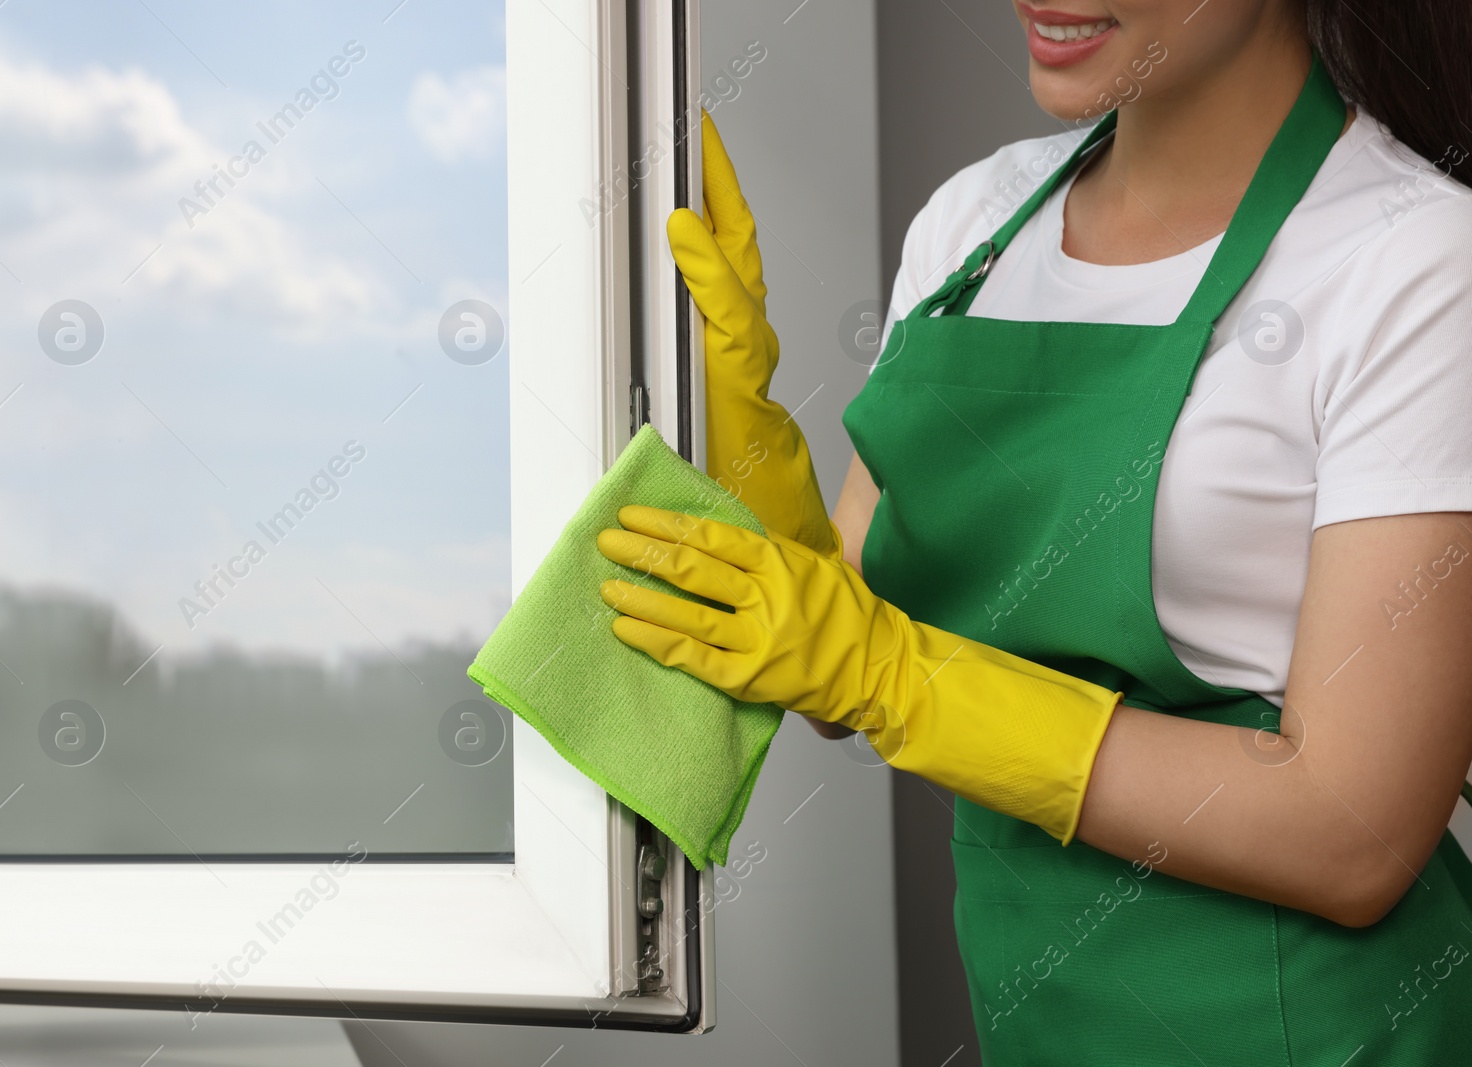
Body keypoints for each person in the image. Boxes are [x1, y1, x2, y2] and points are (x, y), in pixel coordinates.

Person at [595, 0, 1472, 1061]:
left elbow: (1352, 831)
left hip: (1312, 1030)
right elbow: (844, 640)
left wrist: (893, 678)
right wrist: (742, 420)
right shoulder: (978, 221)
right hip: (1036, 1021)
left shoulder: (1415, 260)